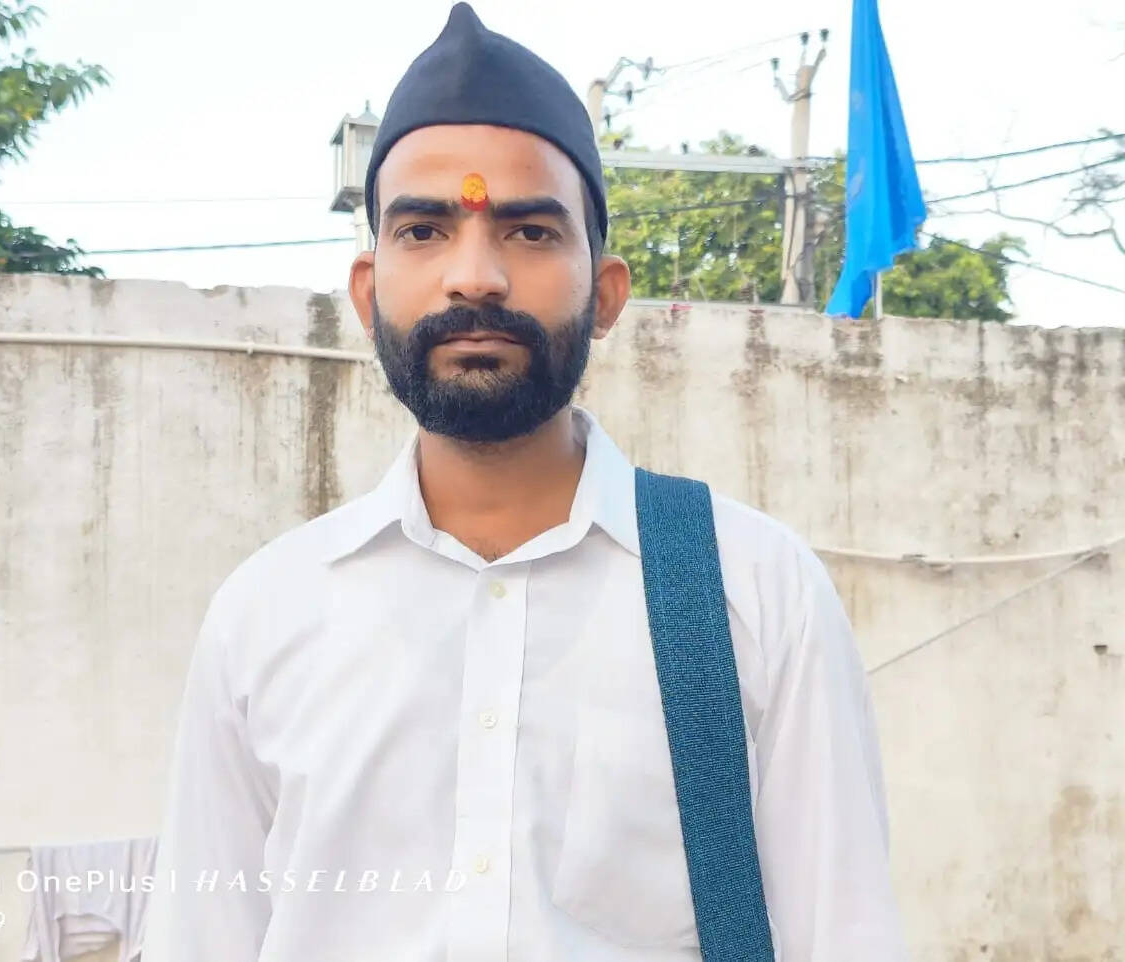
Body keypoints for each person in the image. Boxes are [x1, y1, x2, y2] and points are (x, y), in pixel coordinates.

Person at [141, 4, 908, 960]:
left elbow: (846, 934)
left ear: (607, 293)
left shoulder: (753, 588)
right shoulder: (266, 614)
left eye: (531, 232)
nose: (476, 277)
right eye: (424, 230)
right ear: (368, 292)